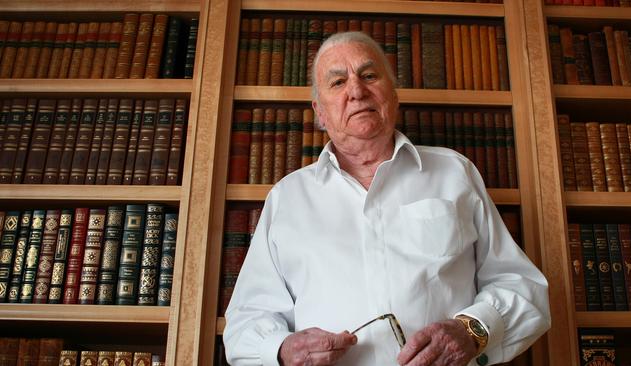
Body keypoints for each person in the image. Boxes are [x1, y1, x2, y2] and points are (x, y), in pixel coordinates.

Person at [223, 31, 551, 366]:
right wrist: (281, 350)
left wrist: (470, 332)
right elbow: (245, 323)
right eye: (337, 82)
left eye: (369, 75)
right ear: (319, 112)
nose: (356, 90)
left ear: (393, 95)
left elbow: (523, 287)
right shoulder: (287, 198)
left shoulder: (455, 173)